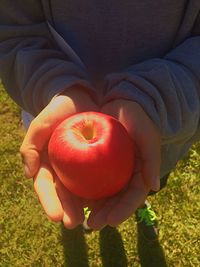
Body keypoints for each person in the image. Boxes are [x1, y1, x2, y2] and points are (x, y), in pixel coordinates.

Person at [0, 1, 200, 242]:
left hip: (159, 134)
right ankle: (89, 209)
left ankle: (140, 201)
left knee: (146, 175)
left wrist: (155, 98)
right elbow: (15, 31)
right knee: (88, 188)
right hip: (55, 113)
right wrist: (52, 83)